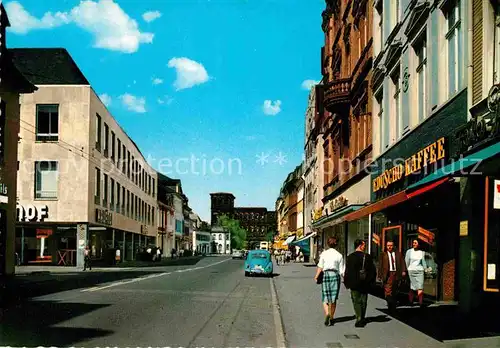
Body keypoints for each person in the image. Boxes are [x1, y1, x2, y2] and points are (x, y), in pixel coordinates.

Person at [344, 239, 376, 327]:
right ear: (360, 245)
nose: (365, 246)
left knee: (356, 300)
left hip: (354, 282)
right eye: (364, 245)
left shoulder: (350, 257)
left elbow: (347, 271)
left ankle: (358, 317)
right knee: (364, 300)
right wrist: (371, 281)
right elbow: (372, 271)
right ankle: (362, 317)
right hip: (365, 282)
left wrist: (347, 282)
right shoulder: (367, 257)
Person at [314, 237, 345, 326]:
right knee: (334, 298)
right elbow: (341, 270)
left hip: (326, 274)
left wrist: (316, 276)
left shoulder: (324, 254)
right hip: (335, 275)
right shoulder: (339, 255)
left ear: (328, 244)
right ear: (336, 245)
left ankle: (327, 313)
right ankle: (331, 317)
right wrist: (345, 279)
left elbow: (320, 266)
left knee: (325, 297)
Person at [379, 240, 407, 311]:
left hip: (396, 273)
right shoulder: (383, 254)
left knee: (394, 288)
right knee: (388, 289)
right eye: (388, 245)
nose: (389, 247)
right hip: (388, 273)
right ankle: (390, 303)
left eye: (391, 245)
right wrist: (379, 275)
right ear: (386, 246)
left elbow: (402, 262)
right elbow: (380, 266)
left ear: (393, 246)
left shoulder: (398, 253)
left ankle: (392, 301)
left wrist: (403, 270)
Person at [405, 239, 427, 307]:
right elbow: (406, 261)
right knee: (412, 287)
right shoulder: (409, 251)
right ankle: (410, 301)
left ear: (419, 244)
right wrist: (407, 269)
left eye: (415, 243)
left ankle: (420, 303)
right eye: (413, 243)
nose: (414, 244)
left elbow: (423, 262)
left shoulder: (422, 252)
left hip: (420, 271)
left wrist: (425, 268)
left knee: (420, 287)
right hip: (411, 271)